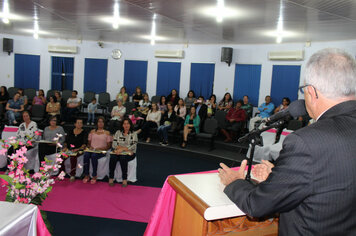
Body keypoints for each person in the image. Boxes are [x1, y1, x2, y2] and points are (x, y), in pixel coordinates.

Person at [218, 48, 356, 235]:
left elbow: (257, 205)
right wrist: (282, 177)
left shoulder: (306, 142)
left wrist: (234, 182)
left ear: (311, 92)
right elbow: (334, 179)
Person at [109, 118, 138, 187]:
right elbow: (114, 144)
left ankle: (124, 178)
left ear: (130, 125)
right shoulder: (118, 132)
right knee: (113, 157)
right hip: (118, 151)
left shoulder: (134, 134)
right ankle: (111, 177)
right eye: (124, 124)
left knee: (123, 158)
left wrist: (122, 149)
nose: (126, 125)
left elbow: (133, 145)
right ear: (122, 125)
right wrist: (119, 149)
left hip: (129, 153)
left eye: (128, 123)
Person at [83, 116, 112, 184]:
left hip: (101, 151)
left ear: (104, 123)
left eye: (102, 122)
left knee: (94, 156)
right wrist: (90, 147)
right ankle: (86, 174)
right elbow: (89, 143)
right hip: (92, 149)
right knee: (86, 155)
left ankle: (94, 175)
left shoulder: (107, 132)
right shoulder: (92, 131)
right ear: (97, 123)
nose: (100, 123)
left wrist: (101, 148)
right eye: (99, 121)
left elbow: (109, 146)